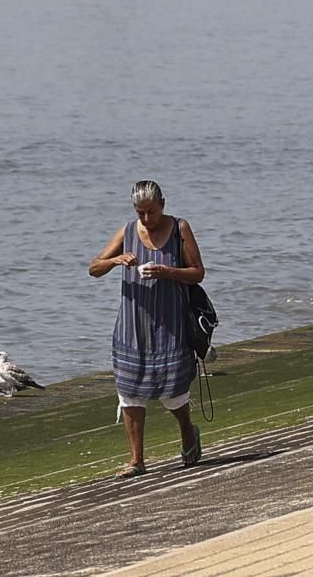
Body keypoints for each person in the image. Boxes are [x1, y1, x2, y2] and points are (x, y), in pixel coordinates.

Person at [88, 179, 206, 478]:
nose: (146, 219)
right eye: (140, 212)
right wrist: (115, 260)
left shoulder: (180, 228)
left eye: (151, 212)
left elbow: (197, 273)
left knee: (173, 394)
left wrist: (167, 271)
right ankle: (137, 460)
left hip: (170, 326)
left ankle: (188, 432)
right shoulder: (127, 232)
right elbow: (93, 268)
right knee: (129, 393)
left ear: (162, 205)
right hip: (131, 328)